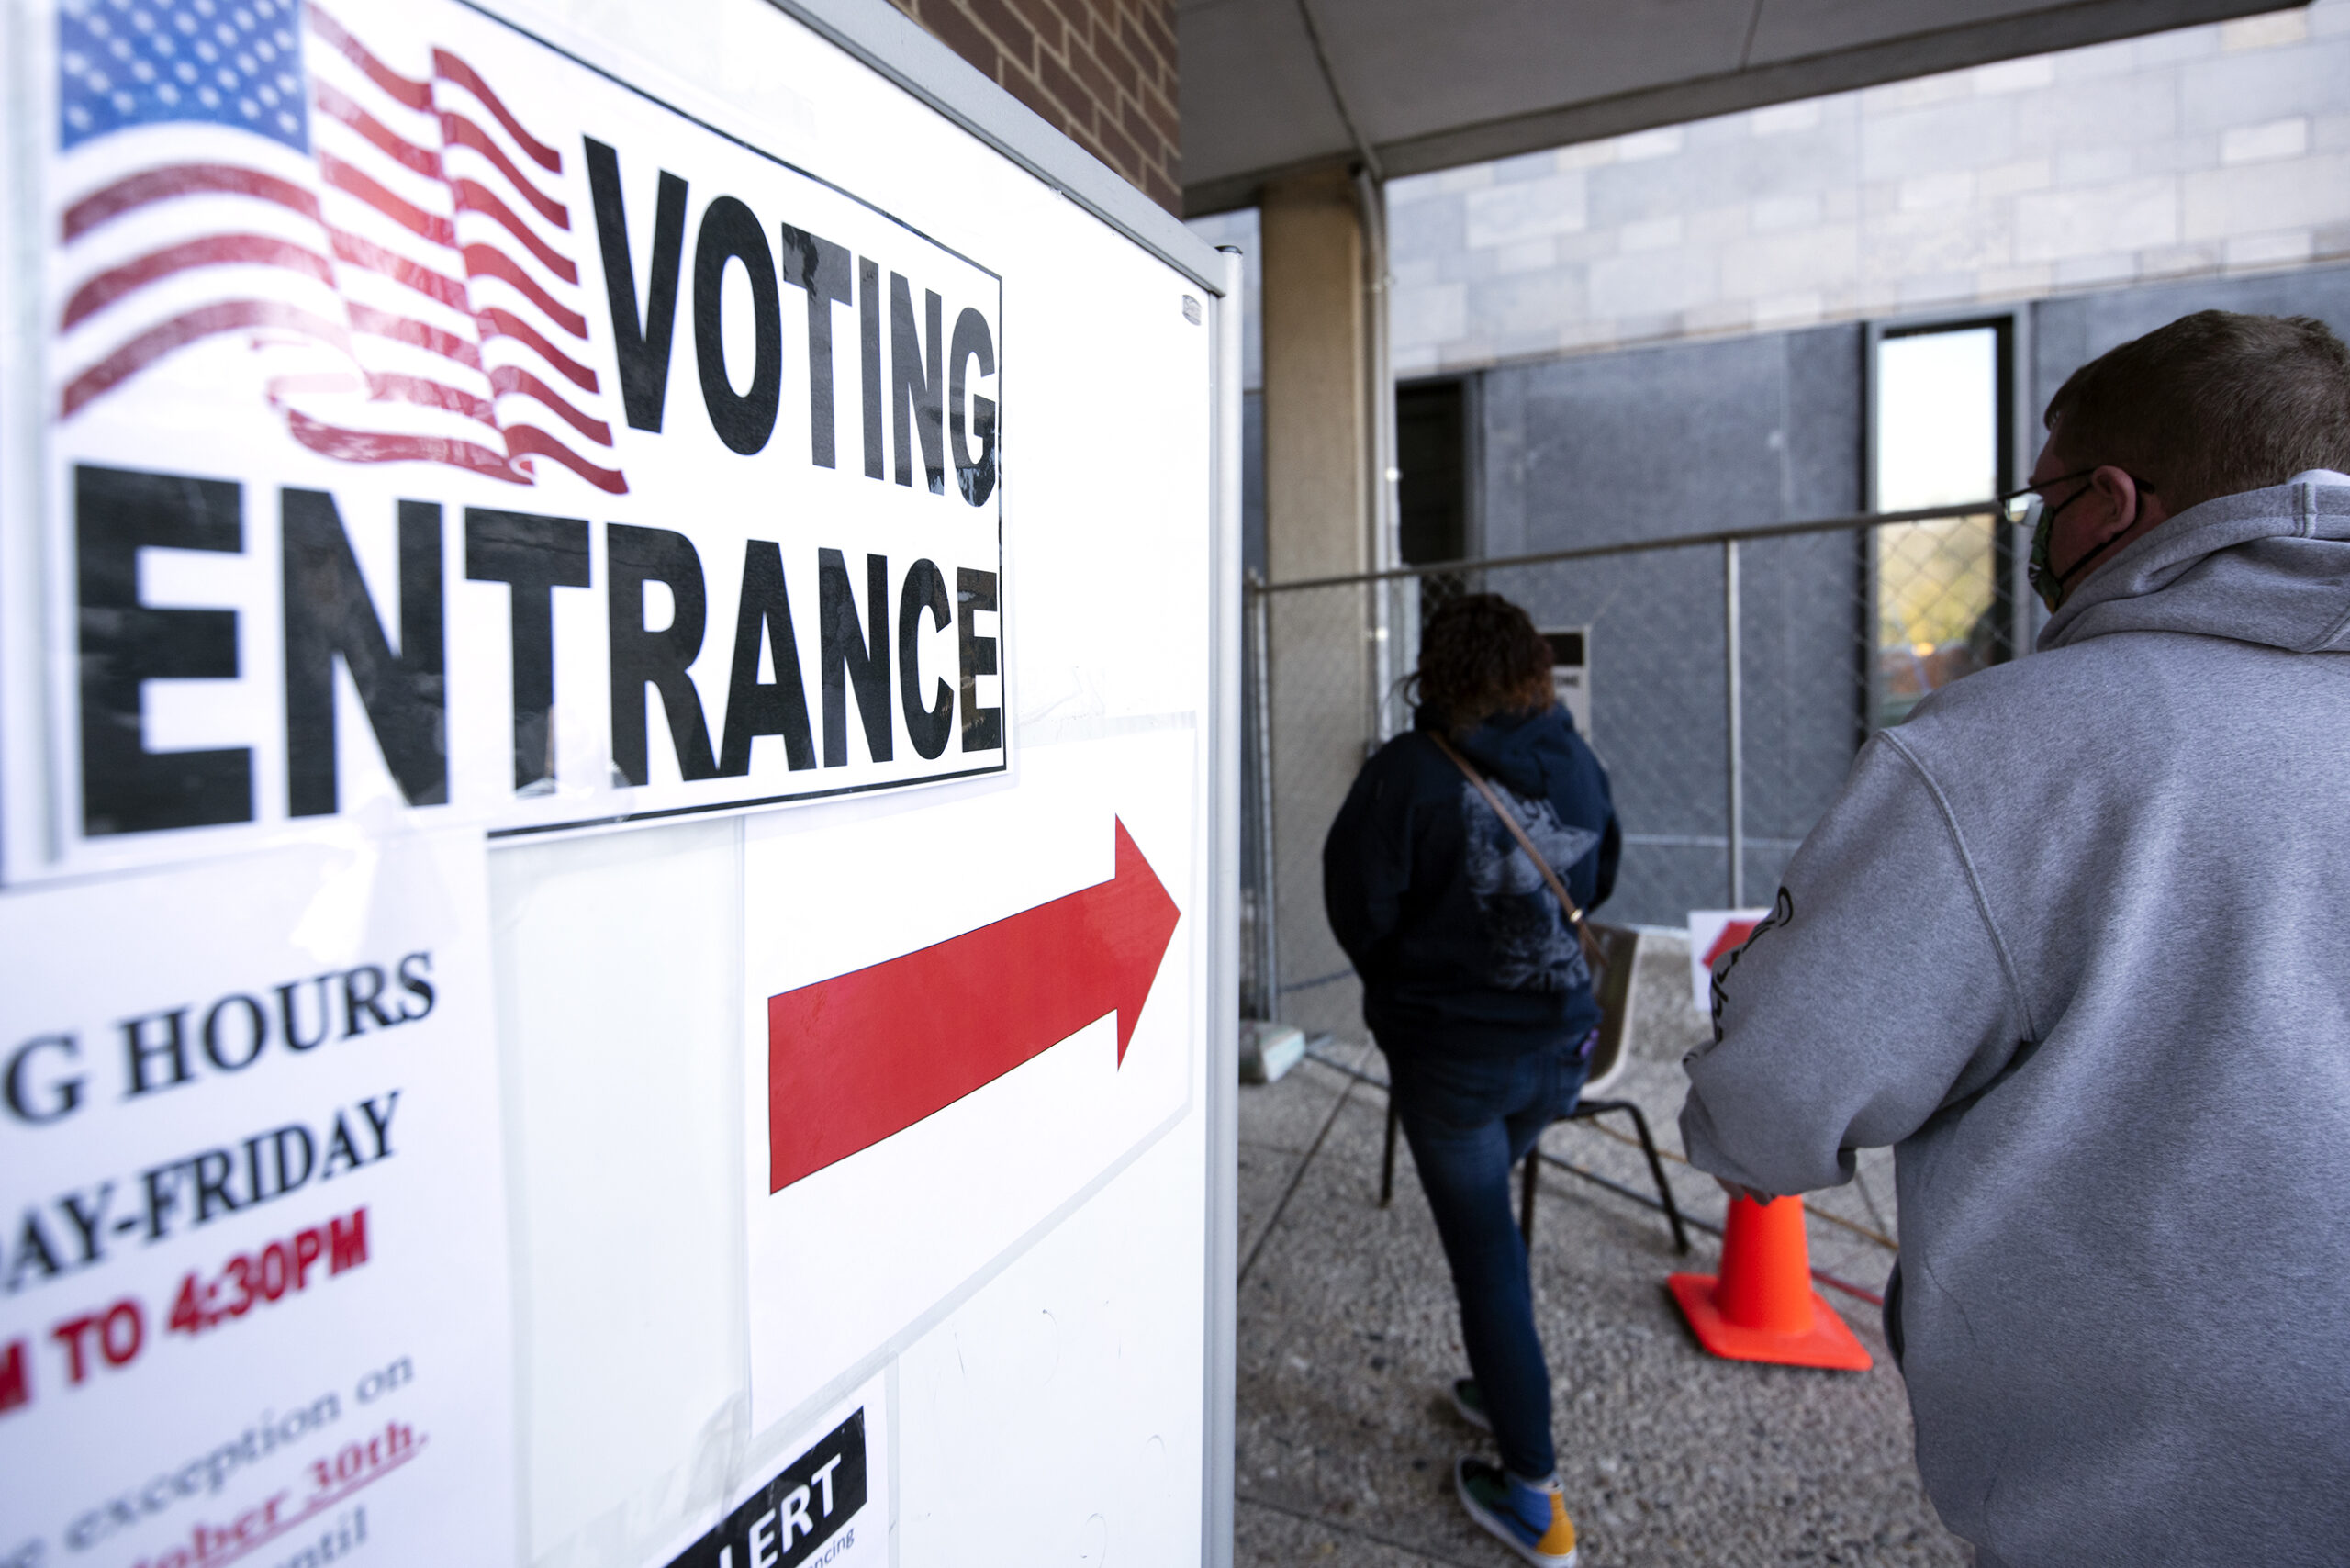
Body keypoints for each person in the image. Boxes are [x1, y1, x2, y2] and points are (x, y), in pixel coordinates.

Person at [1680, 309, 2350, 1568]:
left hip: (2145, 1511)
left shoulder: (2010, 752)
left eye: (2037, 497)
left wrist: (1737, 1122)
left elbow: (1774, 1097)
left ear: (2108, 503)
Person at [1324, 592, 1620, 1567]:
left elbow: (1357, 906)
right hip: (1562, 1051)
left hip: (1451, 1064)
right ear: (1533, 666)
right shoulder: (1572, 759)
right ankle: (1504, 1378)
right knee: (1493, 1231)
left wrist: (1410, 983)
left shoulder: (1406, 776)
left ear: (1435, 669)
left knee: (1485, 1253)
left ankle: (1535, 1500)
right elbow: (1603, 875)